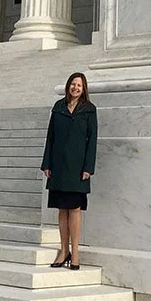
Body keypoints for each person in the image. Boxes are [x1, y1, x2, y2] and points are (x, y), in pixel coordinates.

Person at [41, 72, 97, 270]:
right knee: (62, 209)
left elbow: (92, 141)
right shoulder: (58, 107)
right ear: (68, 86)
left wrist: (88, 167)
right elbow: (51, 136)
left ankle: (76, 253)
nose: (75, 88)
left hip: (78, 168)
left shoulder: (89, 110)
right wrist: (46, 163)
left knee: (74, 209)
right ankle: (64, 250)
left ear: (84, 89)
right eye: (73, 84)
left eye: (79, 85)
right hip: (58, 165)